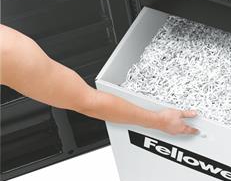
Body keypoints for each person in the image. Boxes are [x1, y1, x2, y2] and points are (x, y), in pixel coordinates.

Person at [0, 25, 198, 135]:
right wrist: (159, 121)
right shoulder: (9, 50)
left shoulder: (10, 51)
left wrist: (160, 121)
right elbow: (88, 101)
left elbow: (88, 101)